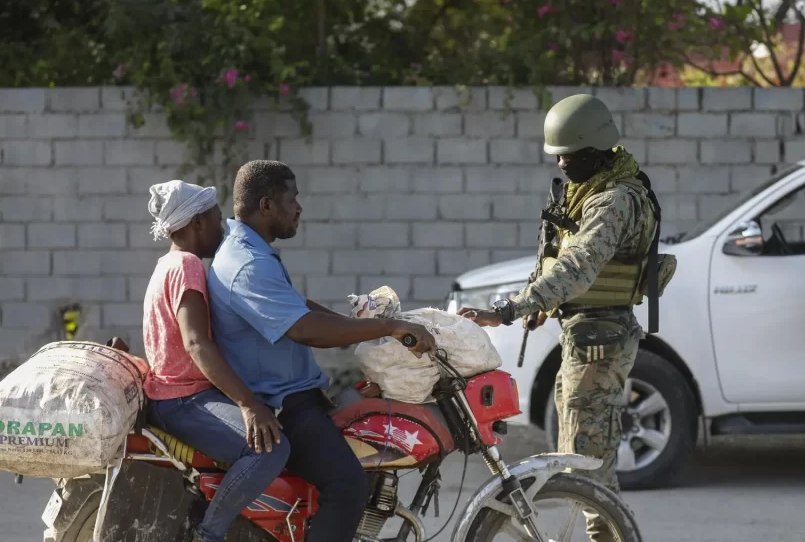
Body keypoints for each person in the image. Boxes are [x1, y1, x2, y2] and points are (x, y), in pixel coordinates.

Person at [458, 94, 669, 542]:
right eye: (557, 156)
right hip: (586, 334)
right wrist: (543, 301)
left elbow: (577, 266)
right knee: (582, 455)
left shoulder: (614, 200)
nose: (560, 165)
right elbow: (556, 255)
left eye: (568, 157)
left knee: (588, 465)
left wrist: (510, 309)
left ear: (594, 151)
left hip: (601, 340)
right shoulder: (586, 190)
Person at [206, 160, 436, 542]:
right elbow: (304, 330)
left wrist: (361, 329)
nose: (299, 208)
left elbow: (297, 306)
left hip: (298, 396)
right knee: (347, 486)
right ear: (266, 206)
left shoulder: (249, 248)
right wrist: (391, 328)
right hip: (284, 407)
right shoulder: (247, 264)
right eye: (291, 199)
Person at [142, 180, 289, 542]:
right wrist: (248, 404)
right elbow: (196, 343)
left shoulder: (168, 264)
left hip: (175, 397)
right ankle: (209, 535)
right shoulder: (188, 266)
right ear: (197, 224)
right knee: (271, 448)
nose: (222, 227)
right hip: (182, 400)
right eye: (215, 218)